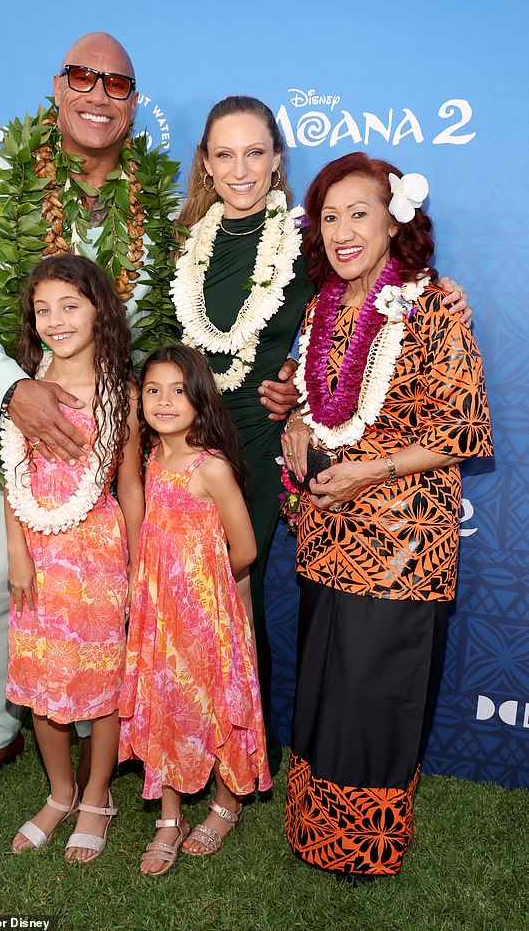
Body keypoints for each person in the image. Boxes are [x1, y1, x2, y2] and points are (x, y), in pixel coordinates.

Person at [170, 95, 472, 773]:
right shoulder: (189, 249)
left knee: (253, 612)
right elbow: (309, 374)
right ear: (206, 163)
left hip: (343, 502)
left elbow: (442, 408)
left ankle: (244, 771)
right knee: (209, 614)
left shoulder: (309, 251)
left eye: (256, 151)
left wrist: (440, 290)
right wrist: (299, 409)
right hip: (233, 471)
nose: (240, 167)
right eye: (224, 152)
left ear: (277, 159)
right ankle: (184, 755)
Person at [0, 31, 179, 812]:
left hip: (117, 432)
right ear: (56, 86)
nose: (98, 93)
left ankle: (116, 725)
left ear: (133, 103)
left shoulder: (162, 202)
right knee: (1, 584)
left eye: (116, 82)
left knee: (112, 595)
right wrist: (14, 391)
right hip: (19, 431)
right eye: (82, 76)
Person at [282, 152, 492, 882]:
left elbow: (462, 428)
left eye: (359, 212)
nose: (343, 231)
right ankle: (313, 829)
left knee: (374, 694)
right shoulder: (323, 307)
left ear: (395, 218)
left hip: (402, 543)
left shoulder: (435, 303)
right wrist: (301, 427)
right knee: (327, 688)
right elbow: (319, 403)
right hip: (326, 534)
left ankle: (363, 845)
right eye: (330, 216)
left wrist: (371, 469)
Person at [3, 254, 143, 862]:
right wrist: (17, 550)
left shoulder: (123, 393)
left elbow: (131, 487)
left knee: (101, 683)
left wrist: (138, 568)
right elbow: (12, 473)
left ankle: (96, 796)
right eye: (42, 310)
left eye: (70, 305)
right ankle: (59, 793)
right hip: (36, 549)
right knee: (41, 680)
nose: (55, 320)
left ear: (98, 310)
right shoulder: (25, 387)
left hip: (98, 552)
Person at [119, 344, 272, 876]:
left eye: (177, 391)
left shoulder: (212, 468)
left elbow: (246, 550)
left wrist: (200, 592)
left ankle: (227, 804)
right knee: (163, 702)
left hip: (209, 619)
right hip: (161, 619)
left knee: (217, 703)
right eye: (153, 391)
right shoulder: (152, 458)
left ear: (200, 398)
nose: (163, 401)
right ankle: (168, 817)